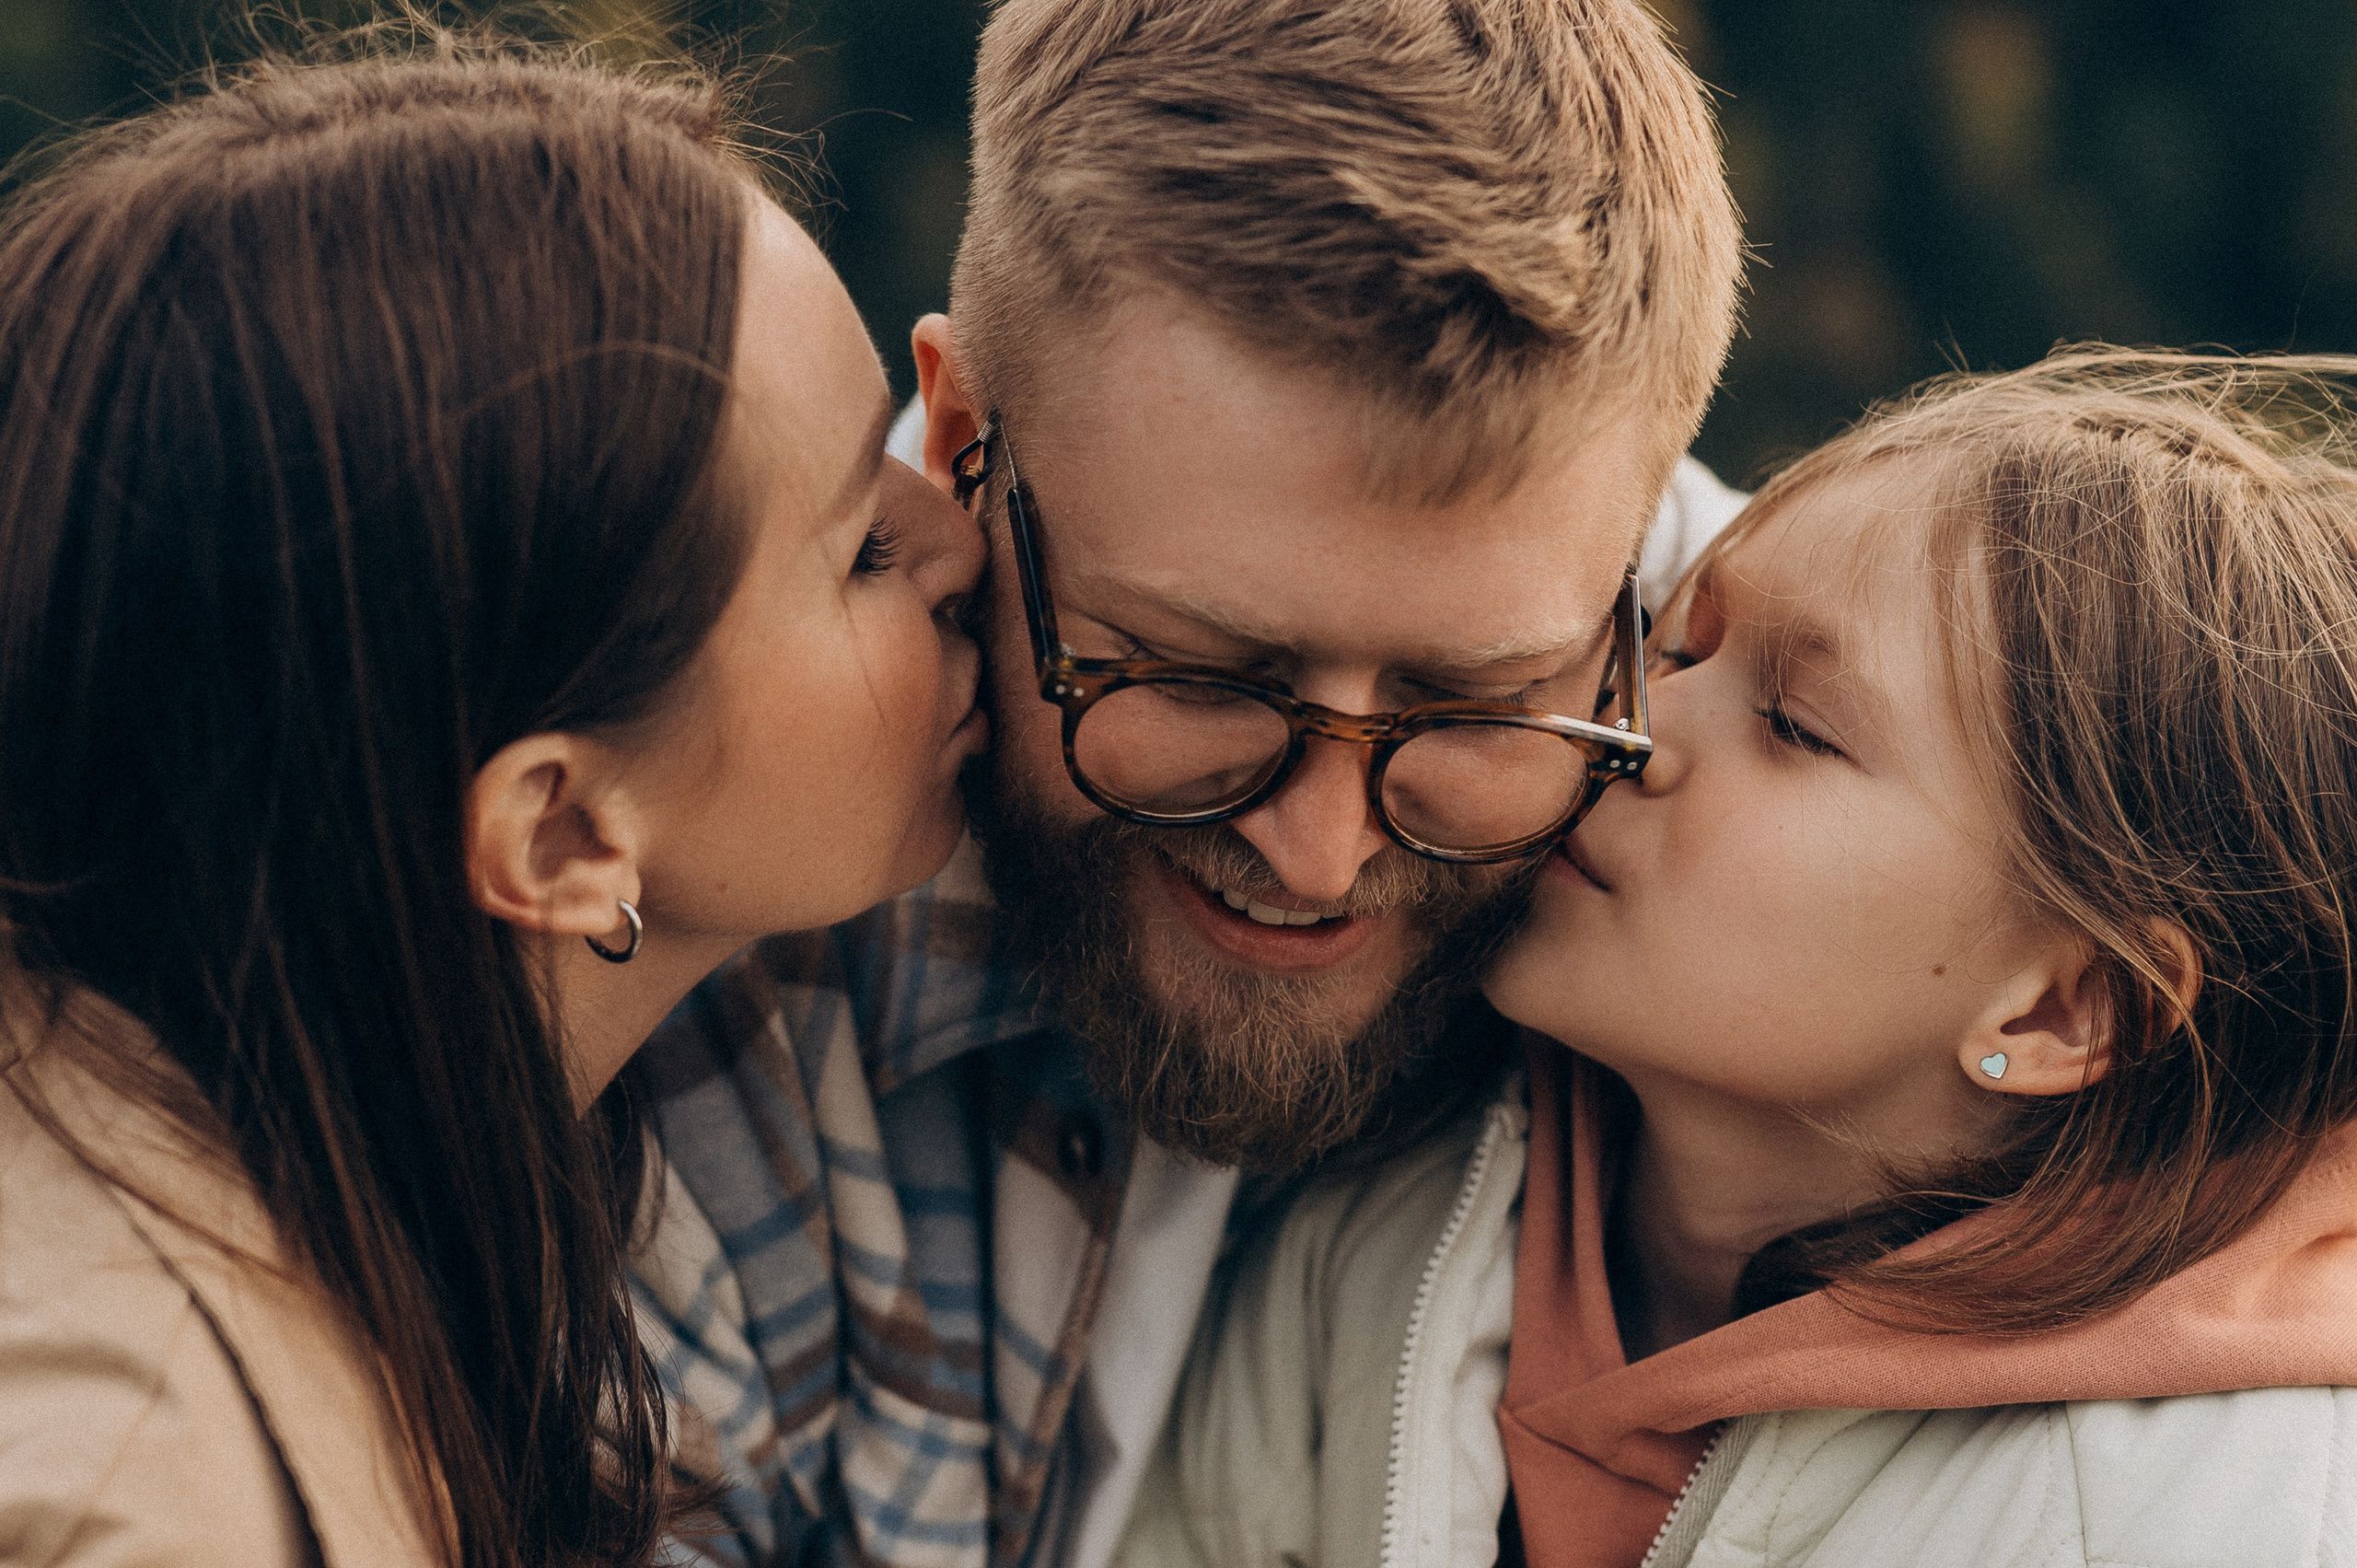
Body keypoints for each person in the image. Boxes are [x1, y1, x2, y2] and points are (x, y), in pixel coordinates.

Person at [626, 2, 1743, 1565]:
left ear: (1636, 563)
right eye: (1202, 674)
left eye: (1474, 697)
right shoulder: (675, 933)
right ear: (959, 443)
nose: (1318, 851)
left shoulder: (1854, 814)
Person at [0, 32, 983, 1568]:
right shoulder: (132, 1494)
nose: (958, 546)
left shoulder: (364, 1201)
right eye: (860, 546)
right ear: (564, 837)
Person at [1121, 347, 2357, 1568]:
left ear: (2064, 1010)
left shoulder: (2192, 1513)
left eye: (1795, 727)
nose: (1630, 729)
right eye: (1675, 643)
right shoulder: (1380, 1218)